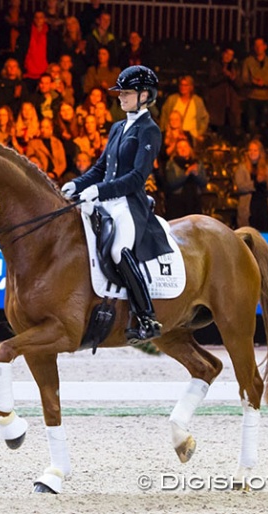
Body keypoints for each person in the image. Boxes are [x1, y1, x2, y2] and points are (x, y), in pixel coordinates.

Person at [61, 65, 173, 343]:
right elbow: (100, 168)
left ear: (144, 95)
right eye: (120, 92)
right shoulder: (118, 127)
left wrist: (99, 191)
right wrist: (78, 184)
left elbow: (136, 178)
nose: (120, 97)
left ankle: (146, 316)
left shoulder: (150, 131)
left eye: (126, 92)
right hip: (104, 200)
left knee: (118, 251)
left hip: (128, 205)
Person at [241, 37, 268, 139]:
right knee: (251, 123)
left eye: (260, 45)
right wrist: (252, 82)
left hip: (266, 97)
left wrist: (265, 83)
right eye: (256, 46)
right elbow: (244, 78)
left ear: (265, 47)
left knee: (264, 124)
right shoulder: (248, 61)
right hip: (252, 96)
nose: (258, 48)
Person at [234, 139, 268, 231]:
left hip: (262, 206)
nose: (252, 152)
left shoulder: (266, 168)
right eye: (250, 150)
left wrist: (264, 181)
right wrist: (255, 182)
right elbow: (240, 186)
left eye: (255, 150)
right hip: (249, 206)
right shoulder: (242, 168)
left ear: (260, 152)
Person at [164, 138, 208, 220]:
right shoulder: (171, 164)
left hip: (194, 201)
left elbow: (204, 183)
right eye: (180, 147)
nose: (183, 149)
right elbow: (171, 184)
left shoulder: (197, 163)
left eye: (185, 146)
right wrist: (186, 174)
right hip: (177, 203)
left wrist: (196, 174)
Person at [159, 75, 209, 148]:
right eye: (181, 85)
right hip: (174, 138)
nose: (183, 87)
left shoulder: (197, 101)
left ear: (191, 87)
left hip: (191, 138)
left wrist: (199, 133)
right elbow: (164, 116)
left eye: (186, 85)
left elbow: (205, 118)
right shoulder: (172, 100)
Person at [205, 45, 241, 145]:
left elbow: (240, 85)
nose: (228, 57)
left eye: (231, 55)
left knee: (230, 130)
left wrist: (232, 77)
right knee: (215, 129)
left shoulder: (235, 68)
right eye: (227, 54)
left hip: (230, 105)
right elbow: (211, 81)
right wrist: (224, 75)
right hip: (217, 104)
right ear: (222, 54)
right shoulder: (214, 65)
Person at [25, 117, 67, 184]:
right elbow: (30, 159)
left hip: (56, 177)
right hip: (41, 176)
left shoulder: (57, 143)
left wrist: (54, 173)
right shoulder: (33, 143)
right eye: (42, 127)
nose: (43, 130)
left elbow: (63, 163)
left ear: (51, 129)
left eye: (47, 127)